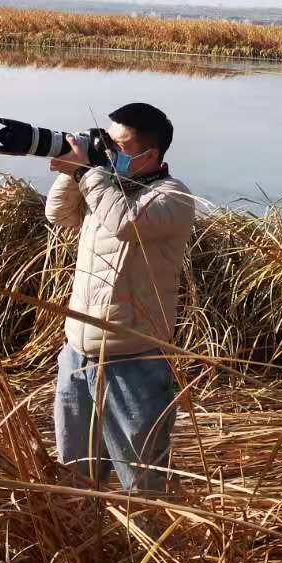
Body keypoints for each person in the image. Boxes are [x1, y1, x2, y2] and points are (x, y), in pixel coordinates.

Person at [44, 102, 195, 494]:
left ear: (151, 154)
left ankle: (149, 550)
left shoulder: (173, 197)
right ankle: (87, 552)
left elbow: (126, 224)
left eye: (118, 146)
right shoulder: (106, 188)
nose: (108, 152)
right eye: (105, 142)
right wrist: (73, 171)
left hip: (134, 362)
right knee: (75, 479)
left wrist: (86, 172)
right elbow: (57, 215)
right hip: (77, 357)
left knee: (141, 486)